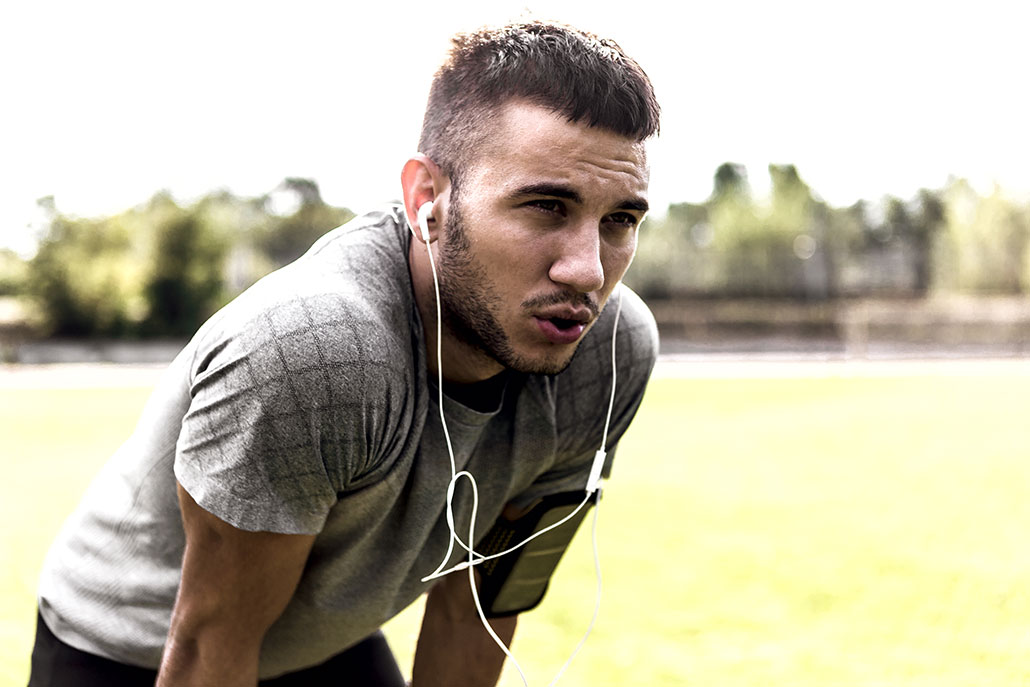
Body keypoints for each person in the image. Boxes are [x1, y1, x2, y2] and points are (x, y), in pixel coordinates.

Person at [29, 19, 661, 687]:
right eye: (545, 205)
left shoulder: (606, 351)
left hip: (325, 641)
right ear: (427, 199)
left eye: (621, 219)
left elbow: (475, 609)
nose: (588, 270)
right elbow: (212, 643)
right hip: (134, 650)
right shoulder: (315, 353)